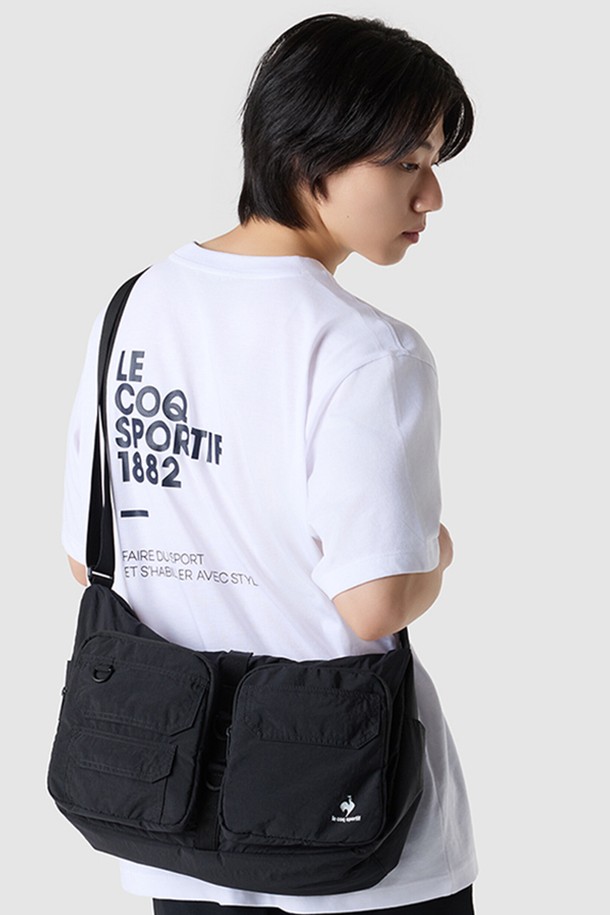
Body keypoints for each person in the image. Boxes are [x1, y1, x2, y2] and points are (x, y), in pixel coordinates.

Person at [62, 12, 477, 915]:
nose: (432, 195)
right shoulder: (368, 351)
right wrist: (439, 555)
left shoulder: (132, 307)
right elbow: (373, 601)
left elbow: (89, 555)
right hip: (349, 826)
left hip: (168, 809)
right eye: (407, 163)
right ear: (308, 156)